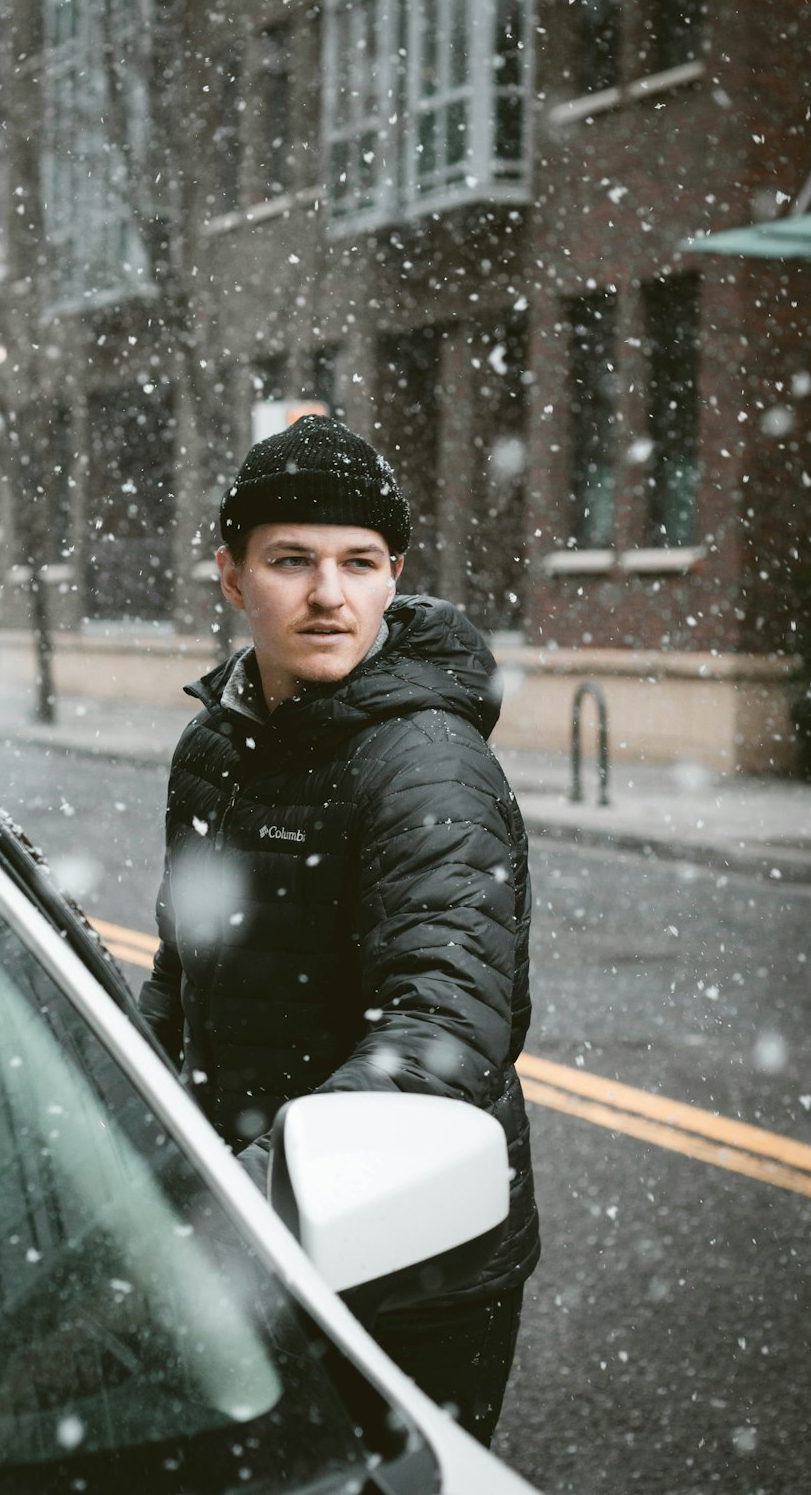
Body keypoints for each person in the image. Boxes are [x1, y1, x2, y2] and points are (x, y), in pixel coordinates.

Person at [139, 414, 539, 1445]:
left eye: (359, 563)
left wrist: (254, 1195)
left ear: (392, 576)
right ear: (231, 577)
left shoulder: (425, 765)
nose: (329, 595)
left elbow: (442, 1030)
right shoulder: (214, 749)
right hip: (252, 1241)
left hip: (403, 1263)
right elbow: (184, 979)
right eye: (291, 560)